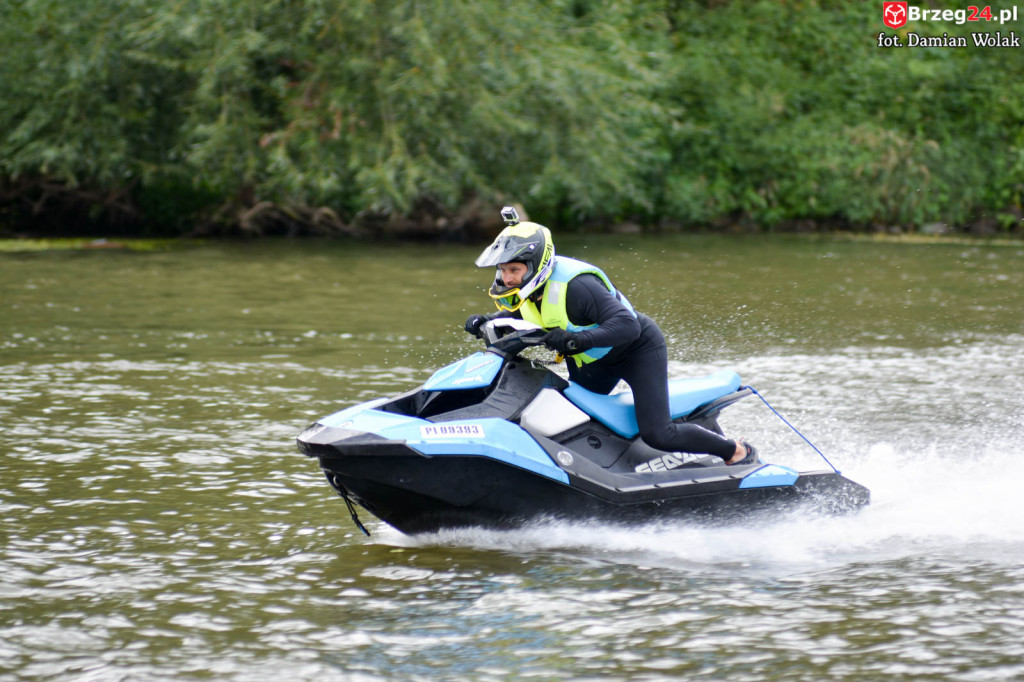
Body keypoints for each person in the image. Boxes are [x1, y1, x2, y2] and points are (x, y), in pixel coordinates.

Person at [464, 207, 758, 467]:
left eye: (514, 270)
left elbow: (627, 326)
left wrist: (573, 341)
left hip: (637, 349)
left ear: (536, 265)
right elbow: (523, 315)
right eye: (503, 270)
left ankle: (735, 451)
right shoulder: (525, 290)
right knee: (566, 417)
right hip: (594, 360)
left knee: (658, 433)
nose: (507, 278)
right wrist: (487, 321)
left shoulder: (579, 286)